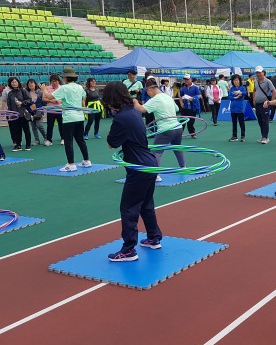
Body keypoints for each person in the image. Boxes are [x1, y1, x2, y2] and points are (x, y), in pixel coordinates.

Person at [104, 82, 162, 262]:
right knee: (146, 204)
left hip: (139, 168)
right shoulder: (134, 112)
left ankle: (129, 249)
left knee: (128, 208)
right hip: (149, 164)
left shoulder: (121, 118)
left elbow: (111, 143)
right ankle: (154, 237)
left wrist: (111, 131)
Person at [133, 76, 185, 182]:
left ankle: (156, 175)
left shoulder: (155, 99)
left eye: (147, 92)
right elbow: (177, 108)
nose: (148, 94)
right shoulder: (167, 97)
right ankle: (183, 167)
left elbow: (142, 109)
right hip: (177, 127)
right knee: (177, 148)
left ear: (149, 90)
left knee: (156, 152)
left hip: (166, 129)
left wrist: (135, 102)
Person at [41, 68, 91, 172]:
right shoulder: (80, 87)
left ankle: (71, 164)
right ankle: (87, 161)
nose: (62, 79)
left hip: (69, 118)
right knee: (80, 140)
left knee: (68, 141)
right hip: (79, 117)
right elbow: (84, 97)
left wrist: (44, 89)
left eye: (63, 77)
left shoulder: (64, 88)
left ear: (66, 78)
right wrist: (82, 107)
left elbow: (49, 97)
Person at [3, 77, 32, 151]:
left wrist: (22, 103)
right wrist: (10, 113)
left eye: (15, 82)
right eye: (12, 82)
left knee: (26, 129)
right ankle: (18, 145)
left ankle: (28, 145)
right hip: (15, 115)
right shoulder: (10, 93)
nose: (14, 83)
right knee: (17, 130)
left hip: (24, 114)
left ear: (18, 82)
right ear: (10, 84)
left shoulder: (23, 90)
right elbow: (9, 104)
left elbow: (29, 100)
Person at [253, 66, 275, 144]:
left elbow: (274, 91)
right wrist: (254, 100)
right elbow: (254, 91)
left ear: (263, 72)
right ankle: (263, 136)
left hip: (265, 104)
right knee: (260, 121)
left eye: (259, 72)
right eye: (257, 73)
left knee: (265, 121)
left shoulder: (268, 81)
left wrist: (271, 102)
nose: (258, 74)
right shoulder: (256, 81)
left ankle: (265, 137)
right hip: (258, 104)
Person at [178, 74, 201, 138]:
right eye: (185, 79)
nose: (186, 80)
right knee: (182, 121)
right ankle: (179, 134)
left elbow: (200, 96)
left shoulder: (195, 87)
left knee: (191, 122)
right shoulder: (183, 88)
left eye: (187, 79)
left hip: (192, 107)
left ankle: (192, 134)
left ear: (191, 79)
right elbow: (180, 96)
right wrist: (181, 102)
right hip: (185, 107)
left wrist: (193, 98)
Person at [26, 78, 47, 146]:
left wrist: (43, 109)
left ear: (35, 84)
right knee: (33, 127)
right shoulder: (26, 93)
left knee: (39, 125)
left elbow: (44, 101)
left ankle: (46, 138)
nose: (30, 84)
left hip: (39, 111)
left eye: (32, 83)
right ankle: (37, 140)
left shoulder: (40, 92)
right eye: (29, 83)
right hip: (30, 111)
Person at [44, 74, 63, 146]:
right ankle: (49, 140)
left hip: (60, 109)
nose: (54, 83)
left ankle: (63, 138)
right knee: (50, 125)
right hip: (50, 109)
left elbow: (65, 98)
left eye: (56, 81)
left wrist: (59, 101)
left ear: (58, 81)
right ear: (50, 82)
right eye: (52, 81)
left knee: (61, 125)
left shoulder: (62, 88)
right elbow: (43, 98)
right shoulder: (47, 88)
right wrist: (51, 101)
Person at [228, 74, 247, 142]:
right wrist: (235, 97)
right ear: (232, 81)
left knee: (241, 123)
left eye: (237, 80)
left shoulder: (242, 87)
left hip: (240, 108)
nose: (236, 81)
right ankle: (234, 136)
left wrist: (240, 92)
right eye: (234, 80)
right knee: (234, 123)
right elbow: (229, 97)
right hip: (233, 108)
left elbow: (245, 93)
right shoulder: (232, 88)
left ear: (239, 81)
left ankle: (243, 136)